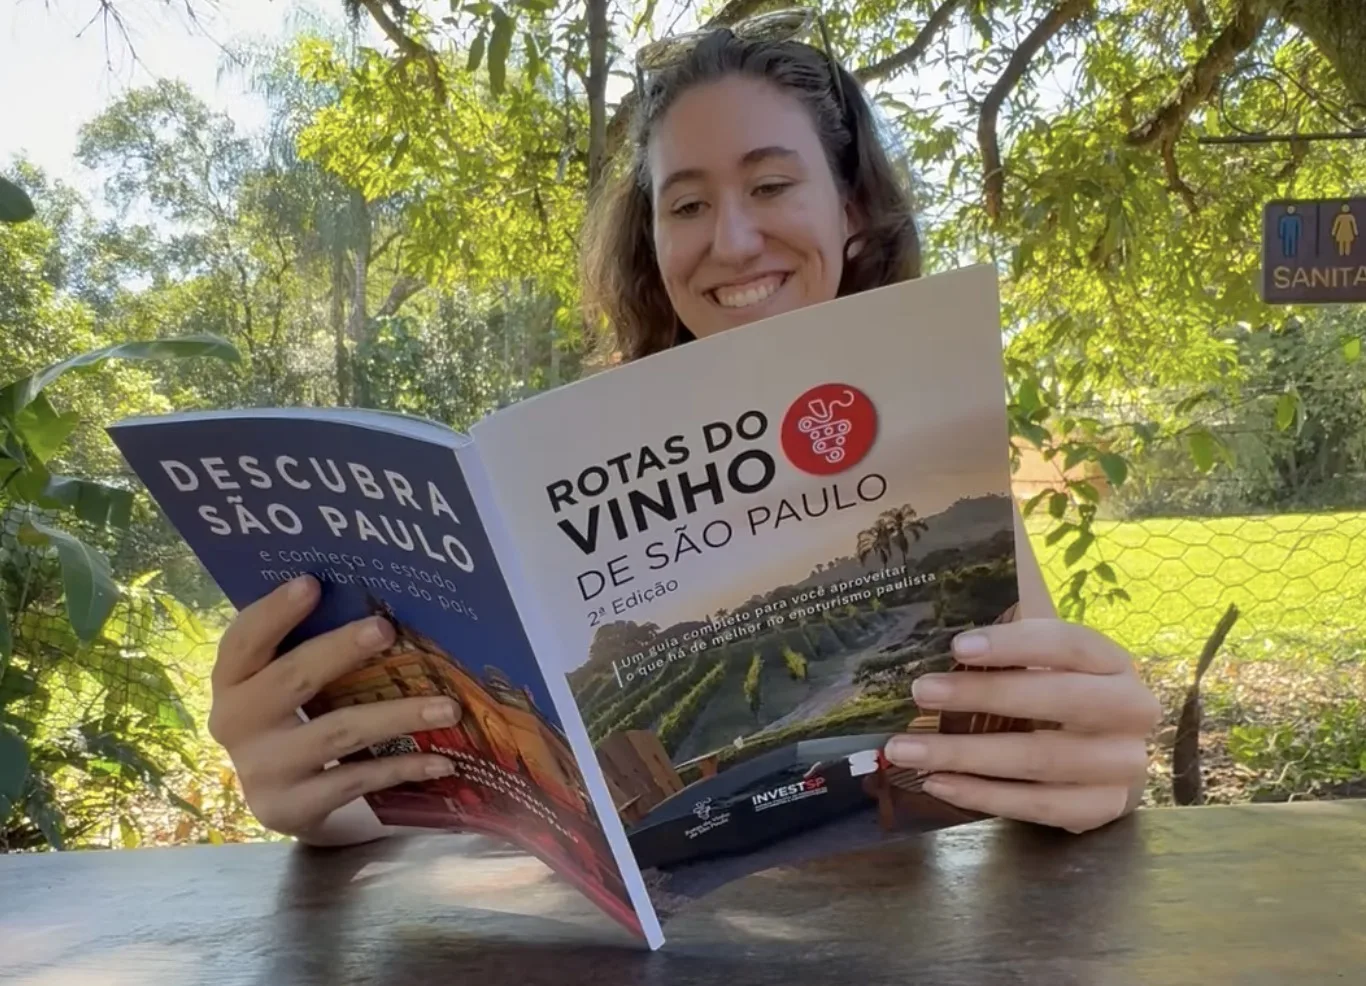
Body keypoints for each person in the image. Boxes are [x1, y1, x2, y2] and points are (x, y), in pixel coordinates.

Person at [207, 11, 1161, 849]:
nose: (732, 241)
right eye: (689, 205)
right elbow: (449, 813)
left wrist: (1104, 772)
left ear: (853, 210)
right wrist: (315, 800)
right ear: (654, 242)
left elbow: (1053, 759)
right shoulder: (555, 470)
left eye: (772, 185)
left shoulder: (939, 458)